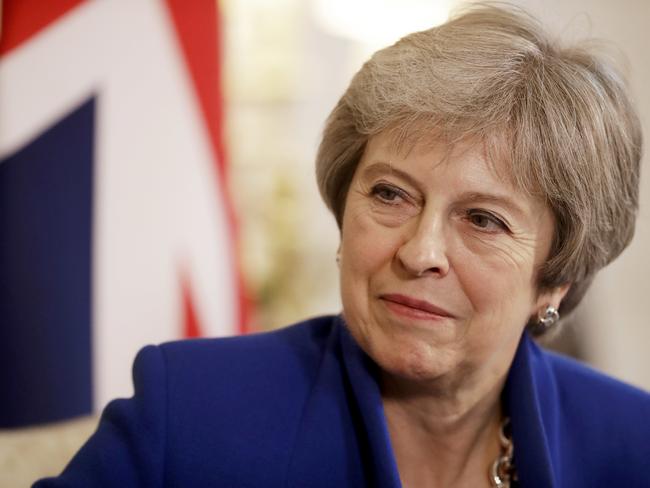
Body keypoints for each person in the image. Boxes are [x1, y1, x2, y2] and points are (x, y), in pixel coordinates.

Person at [36, 4, 650, 487]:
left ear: (555, 279)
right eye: (390, 194)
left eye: (483, 220)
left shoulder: (633, 445)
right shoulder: (188, 412)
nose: (419, 251)